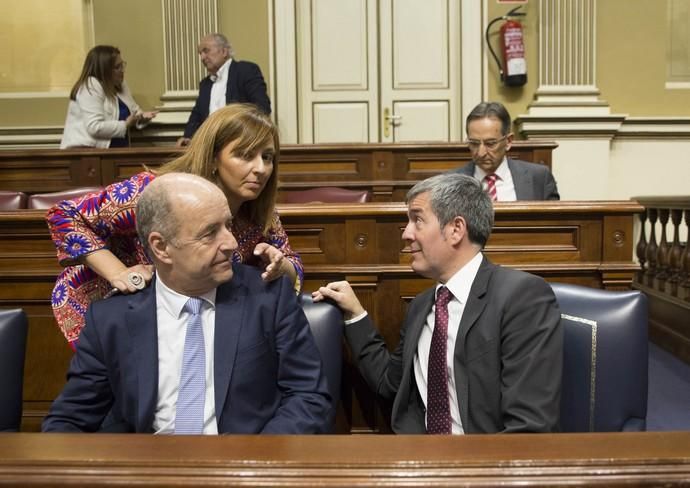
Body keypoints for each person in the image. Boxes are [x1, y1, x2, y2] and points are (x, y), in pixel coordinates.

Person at [43, 173, 332, 434]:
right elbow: (69, 419)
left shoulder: (268, 298)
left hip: (245, 468)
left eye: (228, 225)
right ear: (161, 247)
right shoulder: (111, 317)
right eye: (210, 233)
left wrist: (257, 463)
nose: (231, 242)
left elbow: (308, 397)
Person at [313, 173, 562, 434]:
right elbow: (390, 385)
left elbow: (530, 427)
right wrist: (355, 314)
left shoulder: (522, 297)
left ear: (456, 229)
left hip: (485, 465)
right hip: (417, 459)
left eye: (417, 220)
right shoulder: (422, 306)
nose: (406, 234)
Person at [47, 104, 302, 349]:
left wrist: (282, 268)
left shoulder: (257, 210)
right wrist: (118, 273)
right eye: (245, 155)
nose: (260, 169)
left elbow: (292, 263)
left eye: (267, 157)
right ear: (214, 158)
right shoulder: (160, 192)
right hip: (100, 303)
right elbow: (64, 216)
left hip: (175, 314)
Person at [177, 33, 271, 147]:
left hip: (240, 144)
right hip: (209, 147)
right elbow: (196, 116)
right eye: (200, 53)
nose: (202, 57)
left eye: (206, 51)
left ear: (224, 52)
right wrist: (188, 137)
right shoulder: (205, 84)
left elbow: (262, 108)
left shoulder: (245, 71)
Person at [453, 102, 559, 201]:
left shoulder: (539, 177)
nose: (481, 153)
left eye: (490, 143)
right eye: (474, 143)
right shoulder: (449, 182)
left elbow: (555, 220)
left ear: (508, 141)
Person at [60, 45, 157, 149]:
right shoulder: (91, 85)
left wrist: (142, 117)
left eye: (122, 65)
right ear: (104, 70)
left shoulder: (120, 83)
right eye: (117, 67)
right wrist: (125, 125)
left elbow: (134, 110)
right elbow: (94, 127)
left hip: (117, 152)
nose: (122, 70)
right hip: (88, 153)